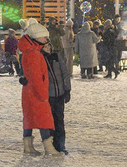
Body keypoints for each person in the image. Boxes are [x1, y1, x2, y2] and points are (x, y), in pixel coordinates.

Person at [16, 21, 55, 156]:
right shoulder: (34, 53)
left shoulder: (29, 51)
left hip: (29, 91)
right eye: (44, 37)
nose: (46, 39)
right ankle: (48, 147)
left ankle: (28, 146)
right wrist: (43, 94)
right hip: (36, 92)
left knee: (29, 119)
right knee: (43, 119)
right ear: (37, 37)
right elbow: (37, 76)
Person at [44, 19, 72, 153]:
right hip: (48, 96)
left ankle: (61, 145)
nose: (48, 49)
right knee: (50, 122)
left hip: (60, 94)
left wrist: (67, 89)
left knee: (59, 121)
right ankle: (52, 146)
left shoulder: (56, 56)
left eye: (48, 46)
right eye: (45, 47)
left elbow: (65, 73)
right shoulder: (41, 60)